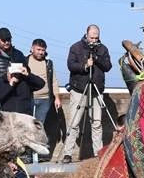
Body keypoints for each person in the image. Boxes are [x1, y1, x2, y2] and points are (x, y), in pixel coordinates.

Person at [61, 24, 112, 164]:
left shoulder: (103, 49)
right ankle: (67, 154)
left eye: (96, 38)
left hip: (96, 90)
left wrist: (97, 59)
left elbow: (108, 66)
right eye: (91, 38)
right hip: (79, 89)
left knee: (96, 123)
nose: (93, 41)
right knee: (74, 122)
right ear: (86, 34)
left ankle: (98, 154)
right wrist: (85, 66)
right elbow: (70, 65)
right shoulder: (75, 47)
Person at [0, 27, 42, 114]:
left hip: (14, 93)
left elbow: (27, 72)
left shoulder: (18, 54)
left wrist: (25, 74)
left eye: (9, 39)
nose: (7, 42)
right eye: (4, 40)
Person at [26, 39, 63, 126]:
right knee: (28, 125)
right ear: (32, 49)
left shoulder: (48, 63)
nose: (41, 52)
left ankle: (37, 140)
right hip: (29, 98)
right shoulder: (25, 61)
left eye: (43, 50)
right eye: (38, 49)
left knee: (39, 126)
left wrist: (57, 98)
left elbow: (54, 80)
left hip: (45, 100)